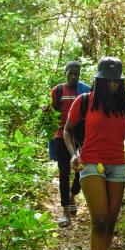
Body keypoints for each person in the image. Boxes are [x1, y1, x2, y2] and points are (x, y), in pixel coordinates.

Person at [63, 57, 125, 250]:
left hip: (117, 166)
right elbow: (68, 132)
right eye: (107, 81)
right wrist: (72, 155)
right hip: (90, 164)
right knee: (99, 221)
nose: (112, 85)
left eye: (116, 82)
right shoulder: (84, 101)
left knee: (109, 224)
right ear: (98, 80)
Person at [47, 61, 91, 227]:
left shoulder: (85, 90)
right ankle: (65, 212)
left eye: (76, 74)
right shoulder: (58, 91)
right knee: (64, 173)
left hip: (82, 135)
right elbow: (52, 112)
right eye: (70, 74)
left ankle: (73, 194)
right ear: (65, 73)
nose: (73, 77)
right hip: (61, 135)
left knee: (83, 168)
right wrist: (46, 110)